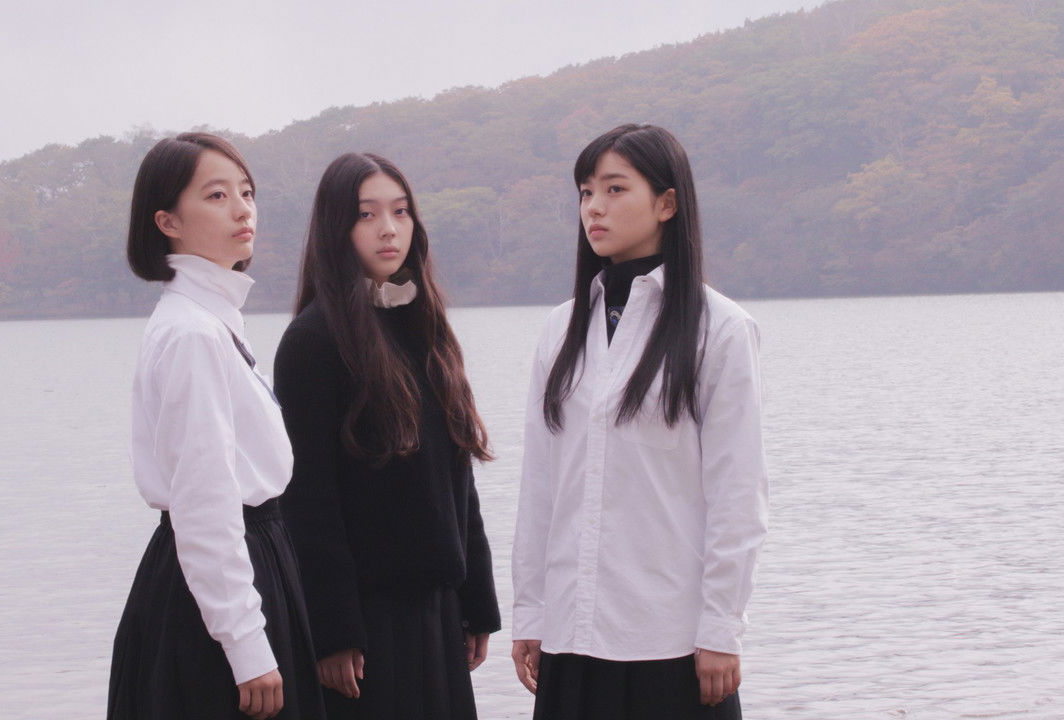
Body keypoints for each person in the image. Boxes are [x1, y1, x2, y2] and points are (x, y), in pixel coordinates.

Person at [511, 124, 768, 719]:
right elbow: (540, 488)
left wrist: (722, 628)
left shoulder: (719, 330)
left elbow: (738, 495)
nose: (594, 207)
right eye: (584, 192)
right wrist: (532, 612)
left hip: (672, 641)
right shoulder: (560, 329)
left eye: (614, 189)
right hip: (572, 633)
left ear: (667, 203)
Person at [273, 152, 501, 720]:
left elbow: (457, 479)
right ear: (336, 228)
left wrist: (477, 604)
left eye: (400, 212)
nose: (388, 228)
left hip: (439, 611)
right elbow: (308, 500)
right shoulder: (312, 341)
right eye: (367, 214)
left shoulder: (425, 326)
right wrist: (333, 632)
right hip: (367, 627)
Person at [108, 132, 324, 720]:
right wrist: (246, 643)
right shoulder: (193, 334)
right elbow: (203, 500)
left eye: (247, 192)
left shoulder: (212, 320)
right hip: (220, 580)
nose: (241, 208)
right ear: (167, 221)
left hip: (247, 562)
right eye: (216, 195)